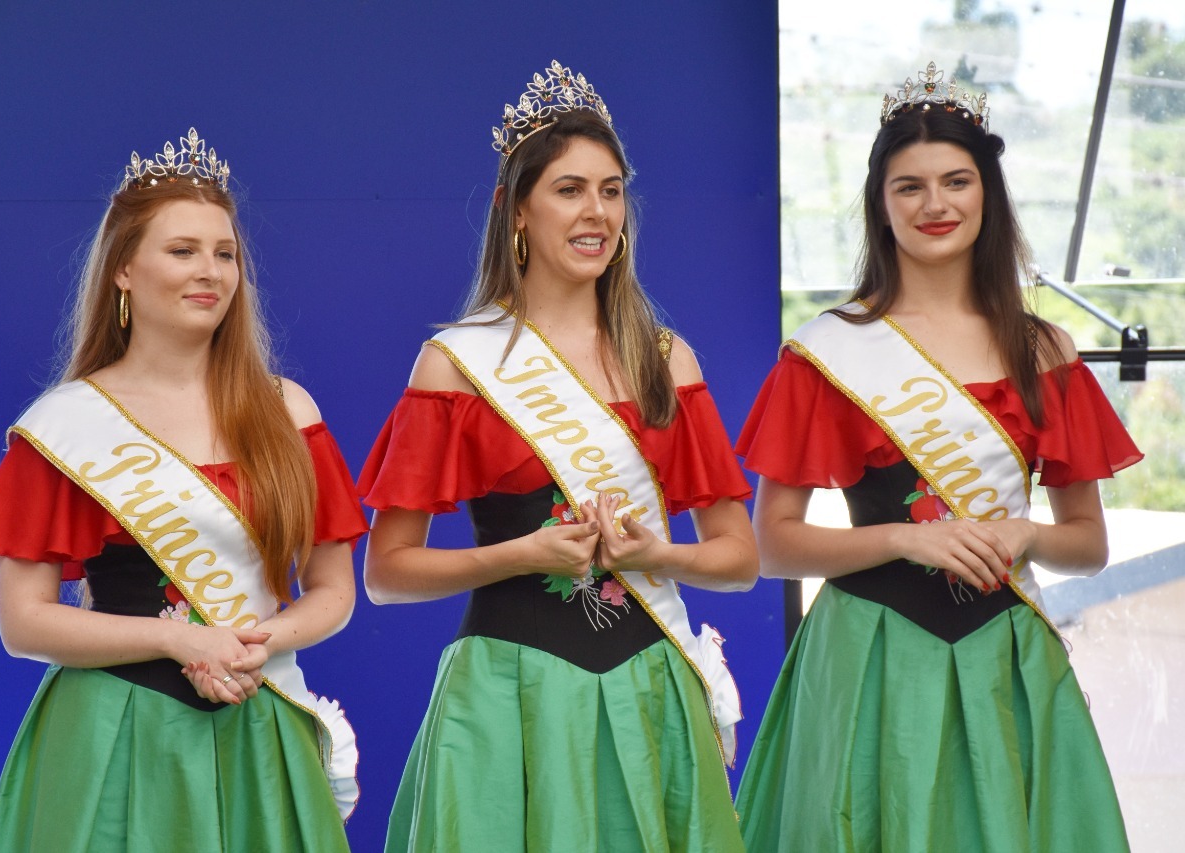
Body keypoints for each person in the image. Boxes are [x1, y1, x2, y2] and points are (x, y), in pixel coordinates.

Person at [732, 63, 1143, 852]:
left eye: (956, 181)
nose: (935, 205)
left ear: (987, 194)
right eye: (909, 187)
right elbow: (773, 543)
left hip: (1004, 656)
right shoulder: (827, 351)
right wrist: (903, 537)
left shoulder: (1043, 350)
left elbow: (1087, 544)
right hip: (867, 655)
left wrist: (1027, 534)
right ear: (880, 204)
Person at [358, 61, 758, 852]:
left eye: (611, 190)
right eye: (569, 190)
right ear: (517, 209)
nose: (596, 212)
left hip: (650, 689)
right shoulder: (456, 364)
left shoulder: (666, 360)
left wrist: (654, 552)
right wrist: (521, 554)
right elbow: (387, 573)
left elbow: (739, 558)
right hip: (505, 693)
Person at [0, 128, 364, 852]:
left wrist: (250, 646)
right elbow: (23, 623)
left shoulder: (289, 412)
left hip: (257, 717)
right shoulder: (66, 425)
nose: (209, 272)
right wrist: (179, 639)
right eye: (182, 251)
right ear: (123, 269)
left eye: (225, 254)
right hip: (111, 734)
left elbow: (334, 590)